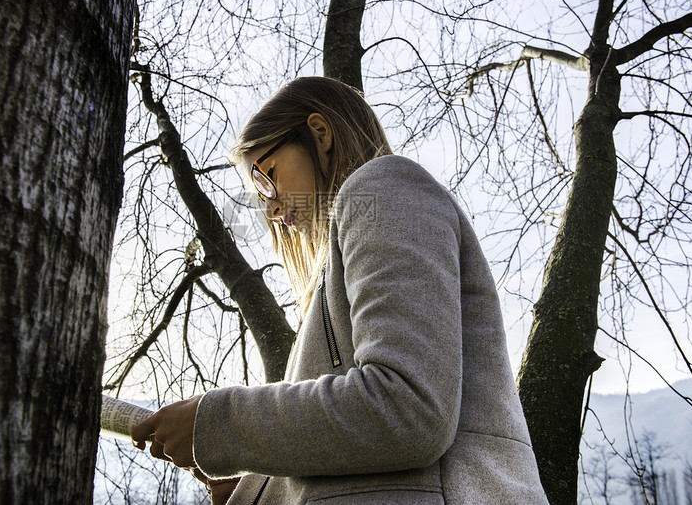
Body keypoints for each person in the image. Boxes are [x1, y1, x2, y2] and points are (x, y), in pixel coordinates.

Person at [131, 76, 549, 504]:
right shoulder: (336, 265)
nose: (270, 207)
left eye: (266, 177)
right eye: (259, 196)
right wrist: (262, 485)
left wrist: (216, 423)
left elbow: (407, 407)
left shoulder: (382, 186)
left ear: (319, 132)